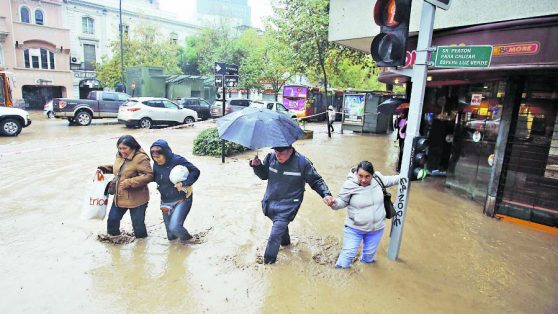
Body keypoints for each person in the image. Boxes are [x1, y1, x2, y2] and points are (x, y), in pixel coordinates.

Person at [250, 145, 334, 264]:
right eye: (276, 151)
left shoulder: (302, 163)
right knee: (279, 227)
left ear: (290, 150)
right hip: (271, 201)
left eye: (281, 152)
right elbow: (264, 176)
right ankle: (286, 244)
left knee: (274, 235)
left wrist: (326, 194)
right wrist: (257, 166)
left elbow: (316, 180)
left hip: (288, 206)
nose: (278, 155)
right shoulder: (271, 157)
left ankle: (268, 264)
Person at [330, 161, 399, 268]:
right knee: (346, 258)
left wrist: (407, 176)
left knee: (368, 258)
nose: (363, 180)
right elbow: (342, 201)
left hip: (376, 229)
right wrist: (334, 203)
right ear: (356, 173)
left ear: (373, 175)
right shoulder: (349, 184)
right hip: (354, 229)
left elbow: (393, 179)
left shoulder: (378, 179)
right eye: (360, 176)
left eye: (367, 176)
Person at [98, 135, 153, 238]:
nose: (122, 151)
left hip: (137, 199)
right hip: (120, 196)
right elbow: (120, 169)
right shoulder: (119, 155)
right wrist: (103, 169)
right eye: (119, 148)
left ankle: (141, 248)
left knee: (138, 226)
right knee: (112, 221)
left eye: (124, 148)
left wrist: (129, 182)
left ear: (132, 147)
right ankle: (114, 246)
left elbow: (149, 176)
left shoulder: (141, 158)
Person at [150, 139, 200, 242]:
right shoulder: (155, 165)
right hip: (166, 201)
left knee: (175, 227)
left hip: (182, 199)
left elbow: (195, 171)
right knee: (171, 237)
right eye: (154, 157)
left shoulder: (177, 160)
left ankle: (191, 241)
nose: (156, 160)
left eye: (158, 157)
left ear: (166, 153)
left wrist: (184, 183)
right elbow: (154, 178)